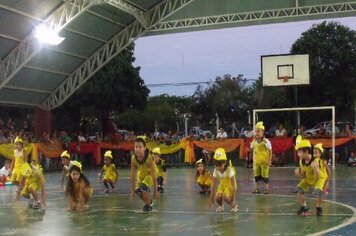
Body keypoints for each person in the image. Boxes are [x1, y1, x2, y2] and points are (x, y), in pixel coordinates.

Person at [294, 140, 326, 216]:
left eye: (299, 152)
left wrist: (315, 186)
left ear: (306, 152)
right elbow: (304, 175)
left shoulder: (315, 162)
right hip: (309, 178)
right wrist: (299, 174)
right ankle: (304, 206)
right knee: (299, 190)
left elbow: (317, 176)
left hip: (319, 178)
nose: (298, 154)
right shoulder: (301, 161)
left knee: (318, 191)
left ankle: (319, 207)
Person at [130, 137, 159, 213]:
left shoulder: (149, 158)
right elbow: (132, 176)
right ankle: (149, 202)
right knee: (138, 191)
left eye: (140, 147)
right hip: (142, 175)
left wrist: (156, 190)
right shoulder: (133, 159)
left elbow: (154, 176)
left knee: (144, 187)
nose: (137, 149)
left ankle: (148, 206)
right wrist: (132, 190)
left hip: (150, 174)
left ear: (145, 148)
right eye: (136, 147)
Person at [209, 148, 238, 213]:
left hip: (230, 185)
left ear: (225, 162)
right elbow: (213, 185)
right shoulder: (215, 171)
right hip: (222, 185)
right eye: (216, 165)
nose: (218, 167)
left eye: (220, 165)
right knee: (218, 197)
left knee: (225, 196)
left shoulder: (229, 170)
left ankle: (234, 206)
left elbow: (233, 186)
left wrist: (233, 200)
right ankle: (221, 206)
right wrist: (211, 198)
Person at [250, 122, 272, 194]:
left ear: (262, 132)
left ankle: (267, 188)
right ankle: (257, 188)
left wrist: (269, 160)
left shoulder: (266, 141)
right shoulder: (254, 141)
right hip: (257, 162)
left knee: (265, 175)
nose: (257, 133)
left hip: (264, 162)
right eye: (256, 131)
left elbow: (270, 150)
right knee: (256, 176)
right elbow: (252, 149)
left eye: (258, 131)